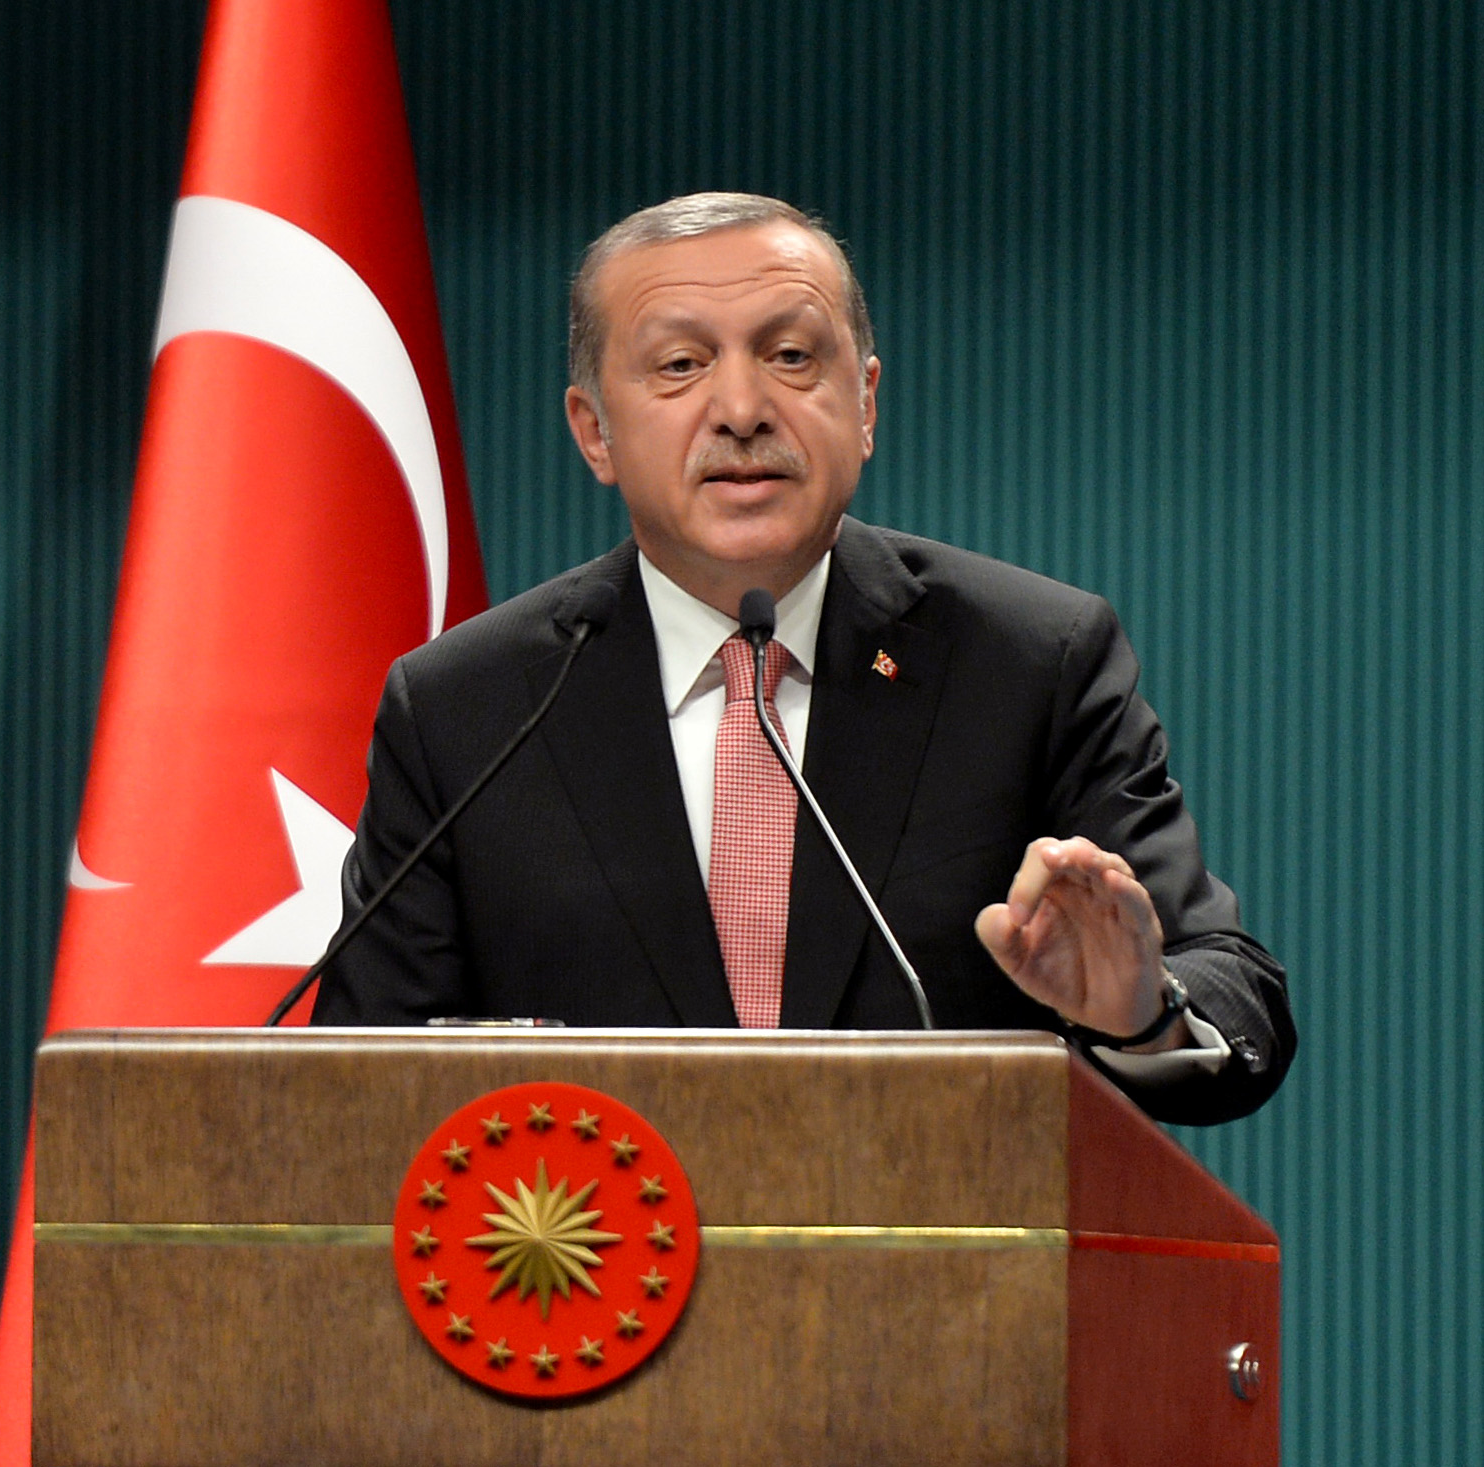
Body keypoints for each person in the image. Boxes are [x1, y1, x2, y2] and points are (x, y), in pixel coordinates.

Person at [310, 192, 1294, 1125]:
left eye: (789, 355)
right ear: (593, 431)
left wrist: (1141, 1012)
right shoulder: (467, 710)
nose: (741, 408)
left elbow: (1228, 985)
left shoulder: (1029, 663)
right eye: (680, 366)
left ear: (865, 402)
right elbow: (360, 1087)